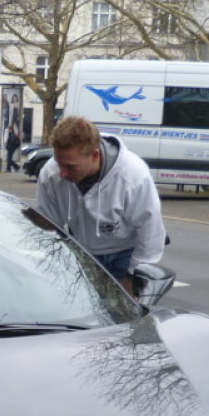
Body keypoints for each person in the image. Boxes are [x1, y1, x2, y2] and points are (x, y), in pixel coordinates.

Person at [34, 116, 165, 296]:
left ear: (95, 155)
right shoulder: (50, 174)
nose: (63, 173)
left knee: (120, 313)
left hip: (124, 254)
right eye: (59, 163)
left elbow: (150, 232)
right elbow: (48, 226)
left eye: (71, 167)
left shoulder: (133, 175)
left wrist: (134, 278)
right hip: (81, 252)